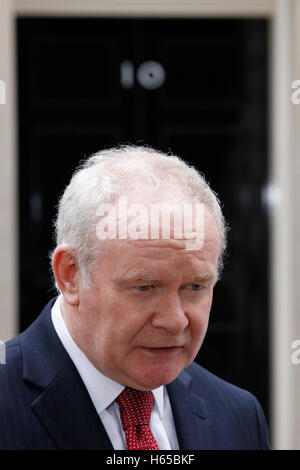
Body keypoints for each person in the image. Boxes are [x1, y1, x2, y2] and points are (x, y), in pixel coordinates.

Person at [0, 145, 270, 450]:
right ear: (71, 275)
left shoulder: (238, 416)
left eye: (195, 287)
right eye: (145, 288)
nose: (174, 321)